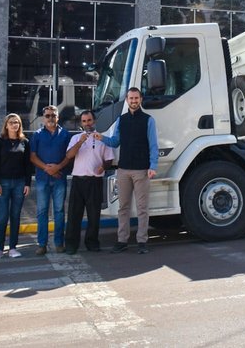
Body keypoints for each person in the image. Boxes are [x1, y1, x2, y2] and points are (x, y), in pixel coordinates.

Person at [94, 87, 159, 254]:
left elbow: (153, 145)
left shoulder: (148, 120)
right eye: (131, 98)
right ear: (128, 100)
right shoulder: (121, 120)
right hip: (123, 170)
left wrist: (153, 166)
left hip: (142, 170)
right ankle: (122, 240)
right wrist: (102, 138)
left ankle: (142, 242)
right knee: (123, 207)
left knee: (142, 208)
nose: (134, 101)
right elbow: (115, 142)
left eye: (136, 98)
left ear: (140, 99)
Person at [64, 110, 114, 254]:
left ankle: (92, 242)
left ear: (94, 121)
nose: (87, 124)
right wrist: (81, 142)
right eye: (84, 121)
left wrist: (103, 167)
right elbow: (69, 155)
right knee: (74, 214)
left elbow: (109, 159)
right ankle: (71, 244)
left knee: (94, 215)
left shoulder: (103, 138)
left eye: (89, 120)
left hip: (95, 182)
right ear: (81, 123)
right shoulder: (75, 138)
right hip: (78, 181)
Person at [30, 105, 72, 254]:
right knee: (42, 212)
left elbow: (69, 156)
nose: (50, 118)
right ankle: (42, 244)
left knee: (59, 212)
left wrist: (58, 168)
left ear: (58, 117)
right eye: (47, 115)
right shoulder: (37, 135)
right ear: (43, 117)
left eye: (53, 115)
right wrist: (48, 169)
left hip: (60, 179)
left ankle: (59, 243)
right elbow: (33, 157)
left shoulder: (65, 135)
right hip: (42, 179)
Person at [0, 113, 32, 259]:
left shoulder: (25, 142)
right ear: (6, 125)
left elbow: (28, 165)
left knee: (15, 216)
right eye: (11, 122)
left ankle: (13, 247)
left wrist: (28, 183)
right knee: (3, 217)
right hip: (3, 183)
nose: (14, 124)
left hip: (20, 183)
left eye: (17, 122)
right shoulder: (0, 142)